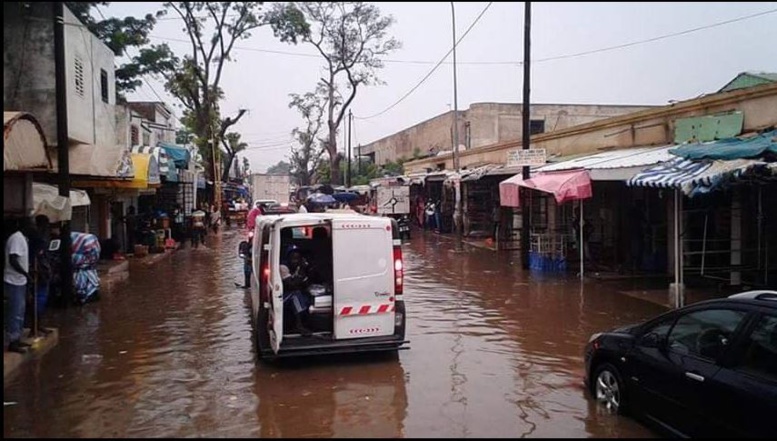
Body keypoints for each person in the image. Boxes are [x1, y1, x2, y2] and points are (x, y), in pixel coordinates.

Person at [5, 218, 36, 353]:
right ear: (25, 226)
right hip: (14, 280)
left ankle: (17, 339)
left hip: (20, 280)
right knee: (15, 312)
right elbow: (13, 259)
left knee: (19, 311)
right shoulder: (17, 238)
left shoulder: (23, 238)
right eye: (31, 225)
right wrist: (26, 274)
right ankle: (13, 342)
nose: (33, 227)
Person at [280, 247, 312, 336]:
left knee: (306, 296)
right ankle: (299, 325)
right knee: (295, 295)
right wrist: (301, 272)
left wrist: (306, 270)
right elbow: (291, 285)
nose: (295, 261)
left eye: (298, 258)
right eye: (293, 258)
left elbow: (305, 284)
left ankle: (307, 323)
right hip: (281, 297)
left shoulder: (299, 267)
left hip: (293, 293)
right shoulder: (283, 267)